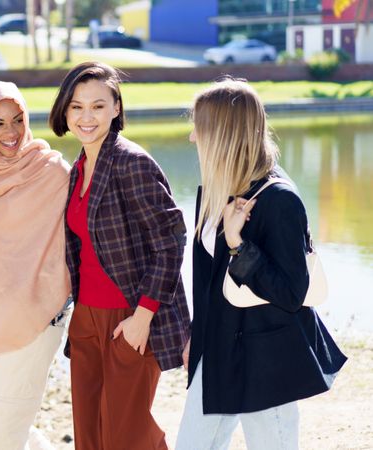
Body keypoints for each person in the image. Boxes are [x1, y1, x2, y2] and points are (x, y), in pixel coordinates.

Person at [176, 78, 347, 449]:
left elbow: (290, 293)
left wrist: (238, 244)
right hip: (218, 349)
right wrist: (196, 335)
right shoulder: (216, 188)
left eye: (199, 127)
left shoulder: (279, 199)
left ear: (224, 133)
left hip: (266, 356)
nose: (192, 137)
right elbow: (207, 280)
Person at [48, 61, 190, 449]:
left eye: (97, 105)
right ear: (64, 111)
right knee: (90, 438)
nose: (86, 117)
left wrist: (142, 317)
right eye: (76, 107)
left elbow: (171, 241)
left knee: (127, 436)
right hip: (86, 323)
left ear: (116, 108)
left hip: (130, 318)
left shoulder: (133, 163)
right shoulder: (77, 169)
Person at [0, 80, 71, 450]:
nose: (11, 132)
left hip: (37, 319)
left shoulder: (51, 171)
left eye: (17, 119)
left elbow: (78, 237)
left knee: (2, 439)